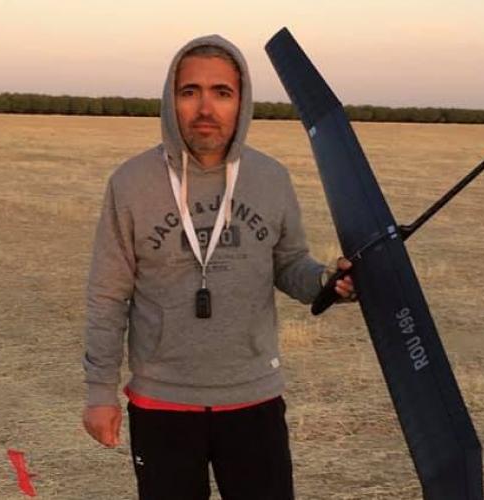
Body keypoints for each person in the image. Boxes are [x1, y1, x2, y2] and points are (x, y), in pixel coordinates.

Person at [82, 34, 354, 500]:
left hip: (254, 397)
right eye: (190, 91)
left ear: (241, 101)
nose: (205, 108)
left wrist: (327, 281)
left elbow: (290, 265)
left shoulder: (271, 178)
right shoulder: (131, 183)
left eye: (221, 92)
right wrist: (99, 392)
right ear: (170, 99)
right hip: (162, 400)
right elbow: (108, 295)